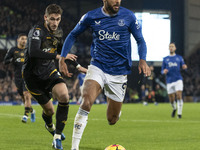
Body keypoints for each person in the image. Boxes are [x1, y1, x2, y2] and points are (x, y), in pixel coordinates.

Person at [59, 0, 151, 149]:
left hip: (119, 72)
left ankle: (115, 107)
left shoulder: (129, 16)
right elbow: (72, 34)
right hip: (98, 66)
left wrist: (142, 60)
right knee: (86, 101)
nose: (117, 1)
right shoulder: (91, 16)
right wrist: (62, 58)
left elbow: (140, 40)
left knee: (112, 119)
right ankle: (74, 147)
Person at [22, 4, 76, 150]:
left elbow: (63, 51)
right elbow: (34, 52)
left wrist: (77, 66)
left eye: (57, 19)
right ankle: (50, 126)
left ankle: (57, 137)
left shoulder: (58, 33)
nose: (55, 23)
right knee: (50, 111)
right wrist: (58, 56)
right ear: (45, 18)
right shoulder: (37, 31)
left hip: (49, 73)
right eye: (52, 19)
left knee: (64, 96)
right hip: (32, 78)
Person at [4, 33, 35, 123]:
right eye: (22, 39)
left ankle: (25, 116)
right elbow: (5, 61)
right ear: (18, 40)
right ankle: (32, 111)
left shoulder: (29, 50)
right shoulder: (13, 50)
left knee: (27, 95)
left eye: (25, 39)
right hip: (17, 77)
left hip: (28, 76)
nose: (24, 41)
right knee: (23, 98)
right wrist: (11, 59)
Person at [161, 42, 187, 119]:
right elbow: (162, 70)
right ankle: (174, 108)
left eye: (172, 46)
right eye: (170, 46)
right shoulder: (165, 59)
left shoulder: (179, 58)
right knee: (172, 99)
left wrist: (185, 67)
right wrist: (164, 71)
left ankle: (179, 114)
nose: (171, 48)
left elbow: (184, 67)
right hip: (169, 81)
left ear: (175, 48)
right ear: (169, 48)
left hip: (178, 79)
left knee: (179, 95)